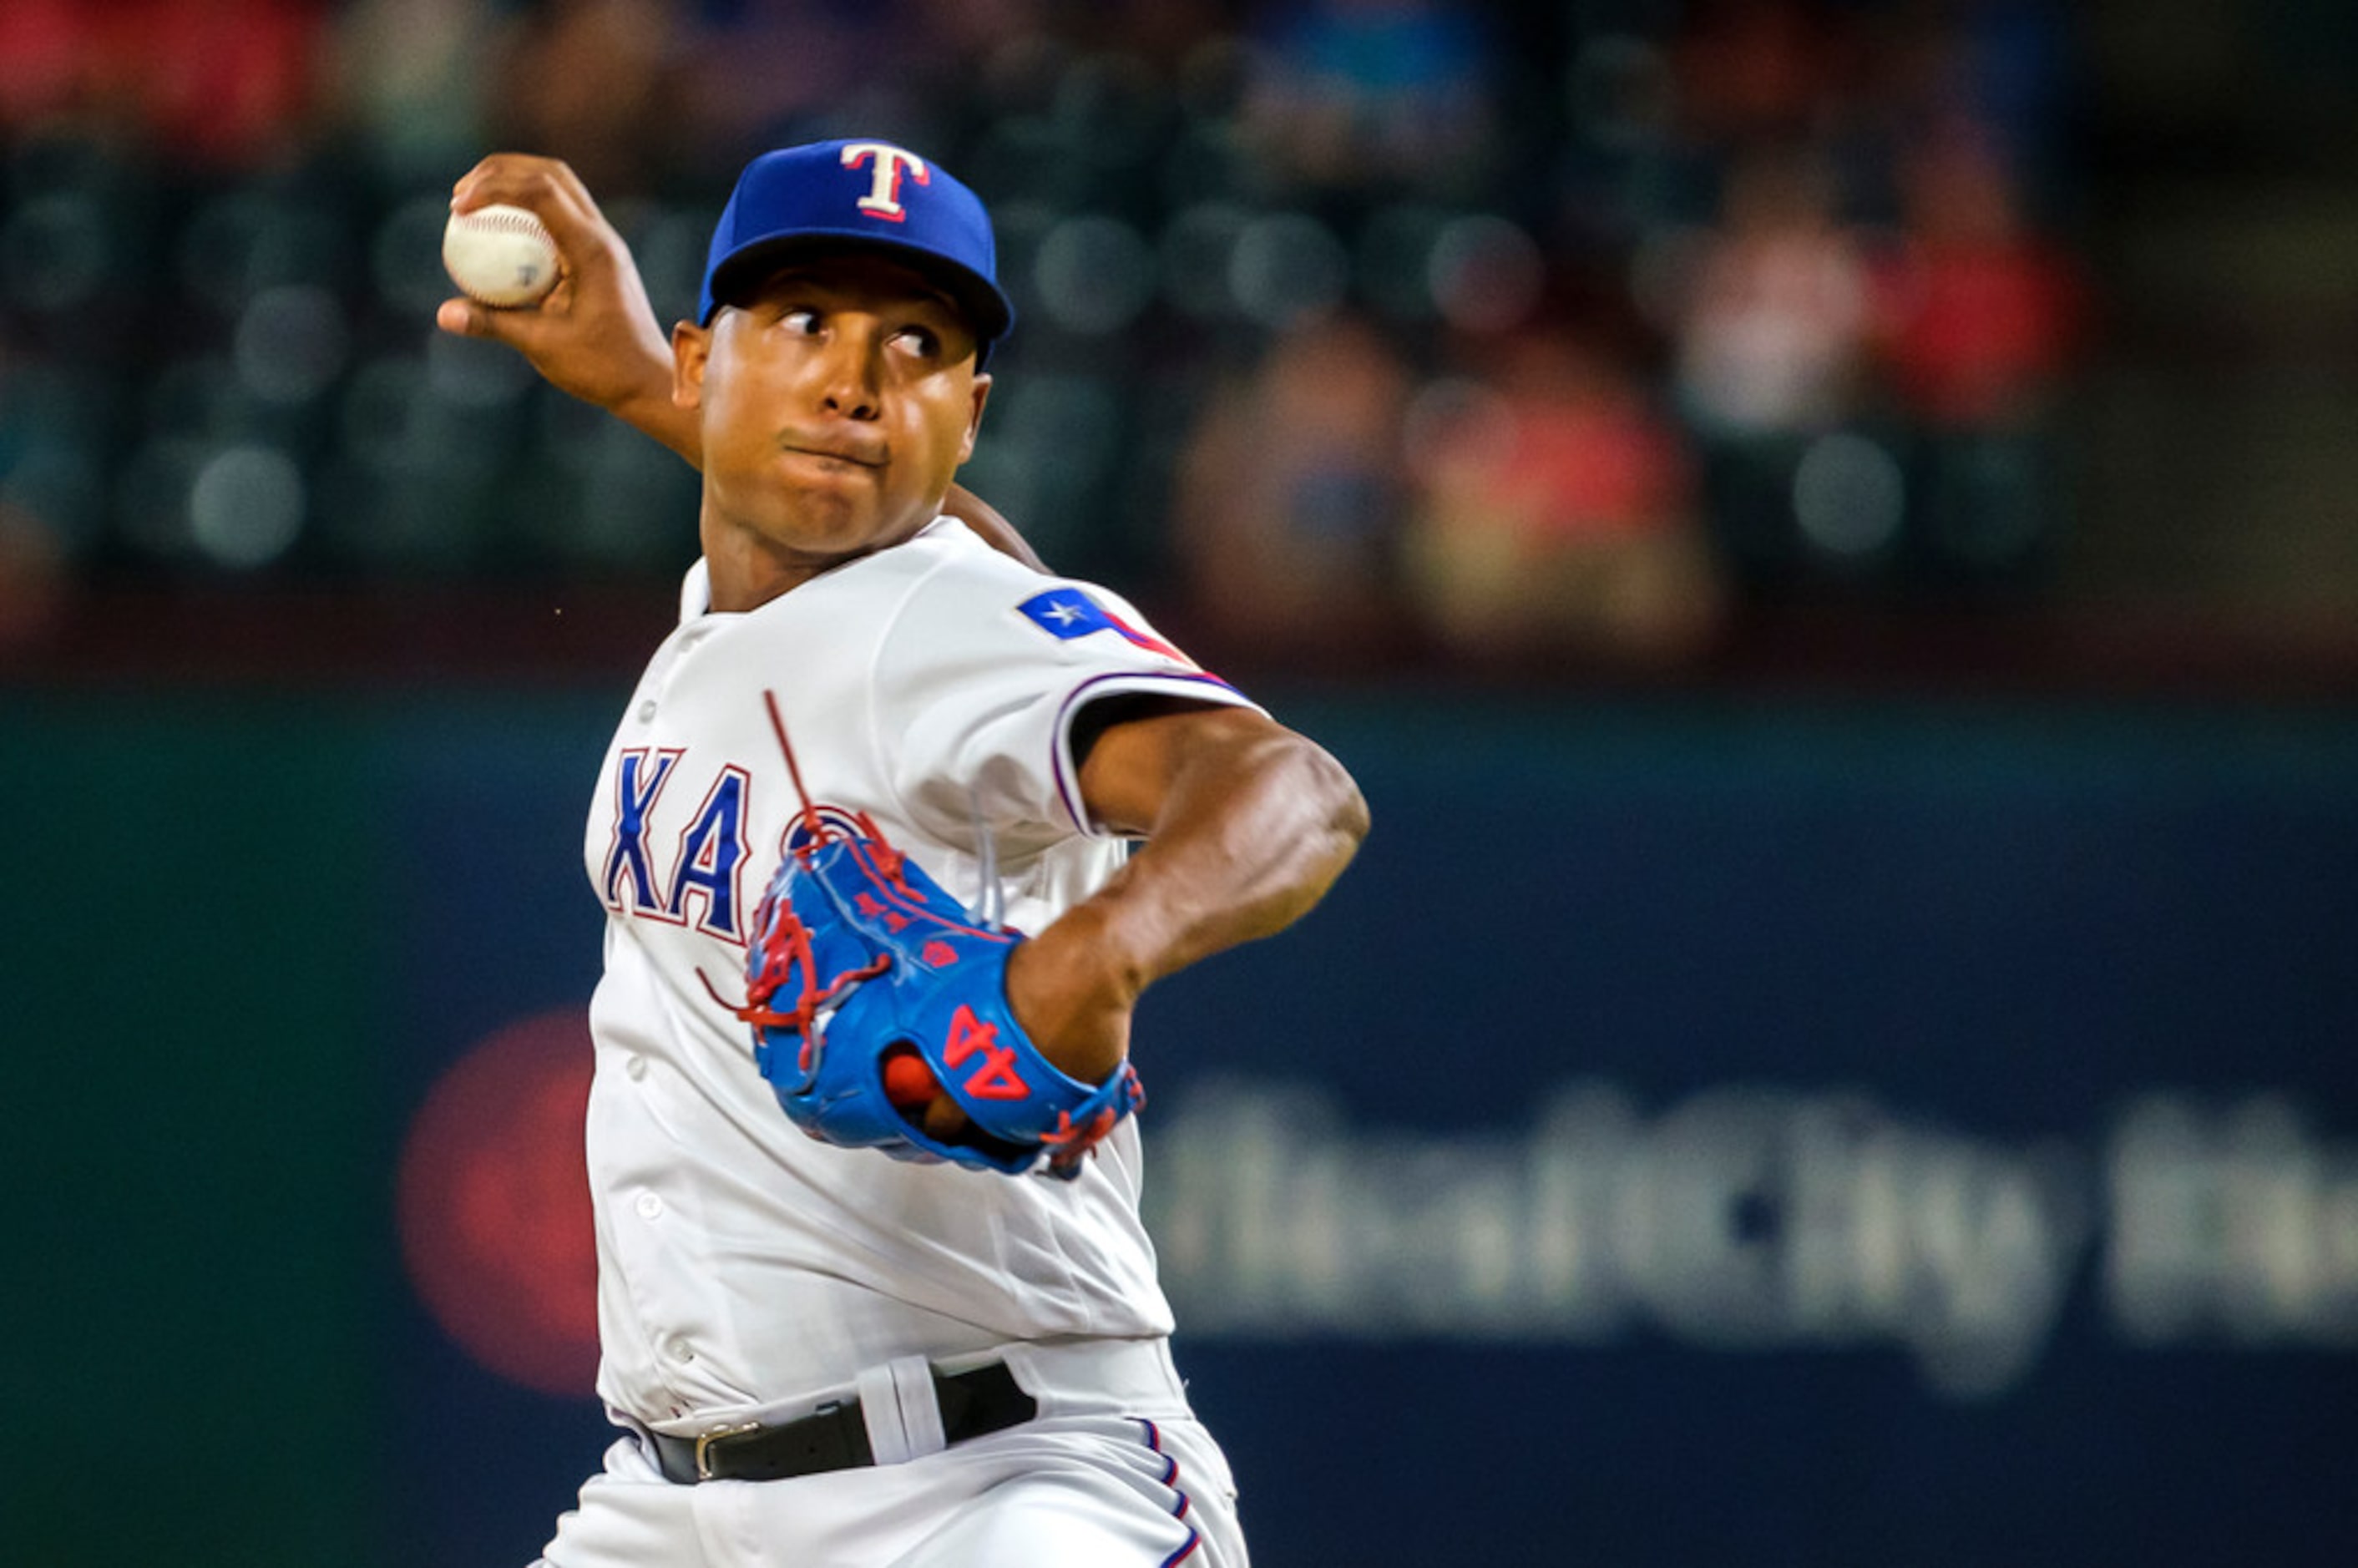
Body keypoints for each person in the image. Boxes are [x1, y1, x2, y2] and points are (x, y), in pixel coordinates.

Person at [437, 139, 1369, 1567]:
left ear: (971, 413)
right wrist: (635, 379)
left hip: (1004, 1486)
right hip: (675, 1507)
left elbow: (1292, 789)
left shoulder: (943, 620)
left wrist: (1091, 953)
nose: (854, 380)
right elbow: (815, 485)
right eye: (806, 321)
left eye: (915, 344)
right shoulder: (739, 611)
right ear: (707, 359)